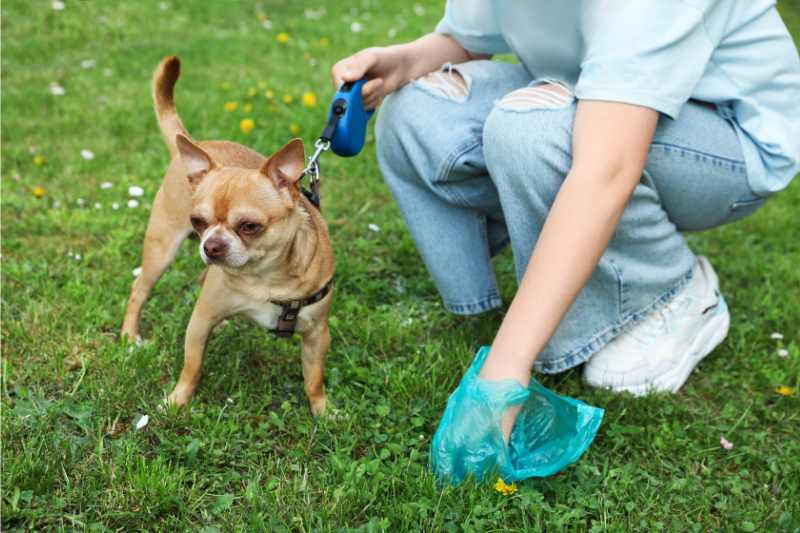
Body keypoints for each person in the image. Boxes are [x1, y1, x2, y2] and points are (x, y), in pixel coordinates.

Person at [331, 1, 800, 469]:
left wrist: (503, 374)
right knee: (421, 108)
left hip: (727, 142)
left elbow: (606, 169)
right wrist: (402, 62)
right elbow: (467, 39)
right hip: (589, 93)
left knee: (532, 133)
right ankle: (516, 289)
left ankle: (669, 289)